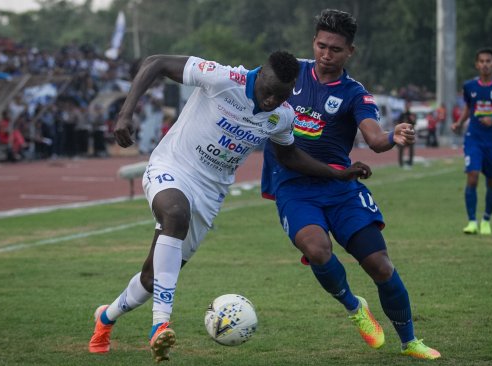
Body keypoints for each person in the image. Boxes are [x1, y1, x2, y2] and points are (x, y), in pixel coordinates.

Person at [88, 50, 372, 362]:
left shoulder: (283, 115)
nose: (270, 101)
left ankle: (105, 319)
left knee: (152, 278)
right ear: (259, 74)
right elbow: (155, 63)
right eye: (268, 92)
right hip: (173, 167)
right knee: (174, 213)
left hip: (210, 195)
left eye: (280, 95)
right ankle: (160, 326)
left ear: (290, 90)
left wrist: (338, 173)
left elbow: (289, 156)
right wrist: (126, 113)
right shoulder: (223, 78)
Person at [261, 9, 440, 360]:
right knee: (317, 249)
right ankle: (355, 307)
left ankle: (410, 341)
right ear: (313, 42)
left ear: (350, 52)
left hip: (341, 189)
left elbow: (373, 138)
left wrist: (393, 135)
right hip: (294, 187)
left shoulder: (354, 92)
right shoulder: (289, 73)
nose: (326, 55)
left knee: (380, 266)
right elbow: (251, 89)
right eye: (321, 46)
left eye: (335, 49)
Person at [451, 48, 492, 235]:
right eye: (482, 61)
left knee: (491, 183)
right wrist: (459, 123)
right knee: (472, 176)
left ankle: (486, 219)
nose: (485, 64)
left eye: (489, 61)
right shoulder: (469, 86)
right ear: (477, 64)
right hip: (474, 138)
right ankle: (472, 221)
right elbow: (468, 108)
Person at [395, 101, 416, 168]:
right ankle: (401, 163)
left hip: (409, 134)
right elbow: (398, 123)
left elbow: (414, 123)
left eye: (408, 106)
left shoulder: (411, 114)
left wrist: (412, 119)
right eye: (406, 106)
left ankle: (410, 162)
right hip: (403, 134)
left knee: (411, 148)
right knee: (401, 148)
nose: (407, 107)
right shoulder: (402, 115)